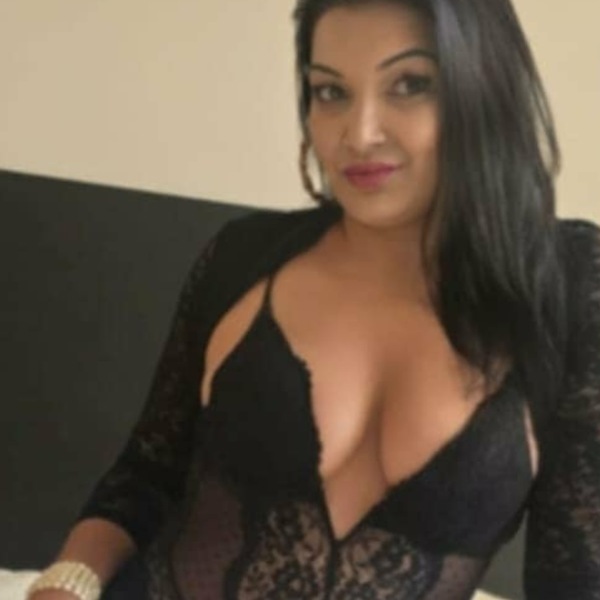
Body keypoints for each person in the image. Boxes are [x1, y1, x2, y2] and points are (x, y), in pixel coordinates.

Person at [27, 0, 600, 598]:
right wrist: (66, 583)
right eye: (331, 92)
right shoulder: (242, 257)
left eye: (410, 84)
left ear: (484, 86)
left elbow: (576, 575)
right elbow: (144, 478)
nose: (359, 133)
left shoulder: (569, 284)